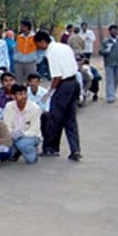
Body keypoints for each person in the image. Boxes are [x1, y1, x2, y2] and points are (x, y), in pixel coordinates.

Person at [34, 31, 82, 161]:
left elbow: (57, 76)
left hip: (63, 85)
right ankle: (75, 149)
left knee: (54, 118)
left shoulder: (51, 52)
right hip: (74, 83)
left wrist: (50, 91)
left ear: (43, 42)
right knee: (70, 119)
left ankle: (51, 148)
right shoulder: (64, 46)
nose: (39, 47)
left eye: (38, 44)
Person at [2, 84, 43, 164]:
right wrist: (12, 134)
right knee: (5, 152)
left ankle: (31, 152)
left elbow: (35, 130)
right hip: (12, 137)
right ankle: (16, 150)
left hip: (30, 137)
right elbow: (7, 126)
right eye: (20, 94)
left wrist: (22, 134)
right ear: (13, 96)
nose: (24, 96)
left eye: (25, 93)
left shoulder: (35, 108)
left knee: (23, 145)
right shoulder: (9, 106)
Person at [99, 24, 118, 104]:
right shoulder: (106, 41)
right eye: (113, 30)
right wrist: (106, 51)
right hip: (109, 63)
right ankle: (110, 96)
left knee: (116, 80)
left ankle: (112, 92)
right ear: (110, 31)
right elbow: (100, 51)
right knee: (110, 80)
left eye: (116, 30)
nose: (115, 32)